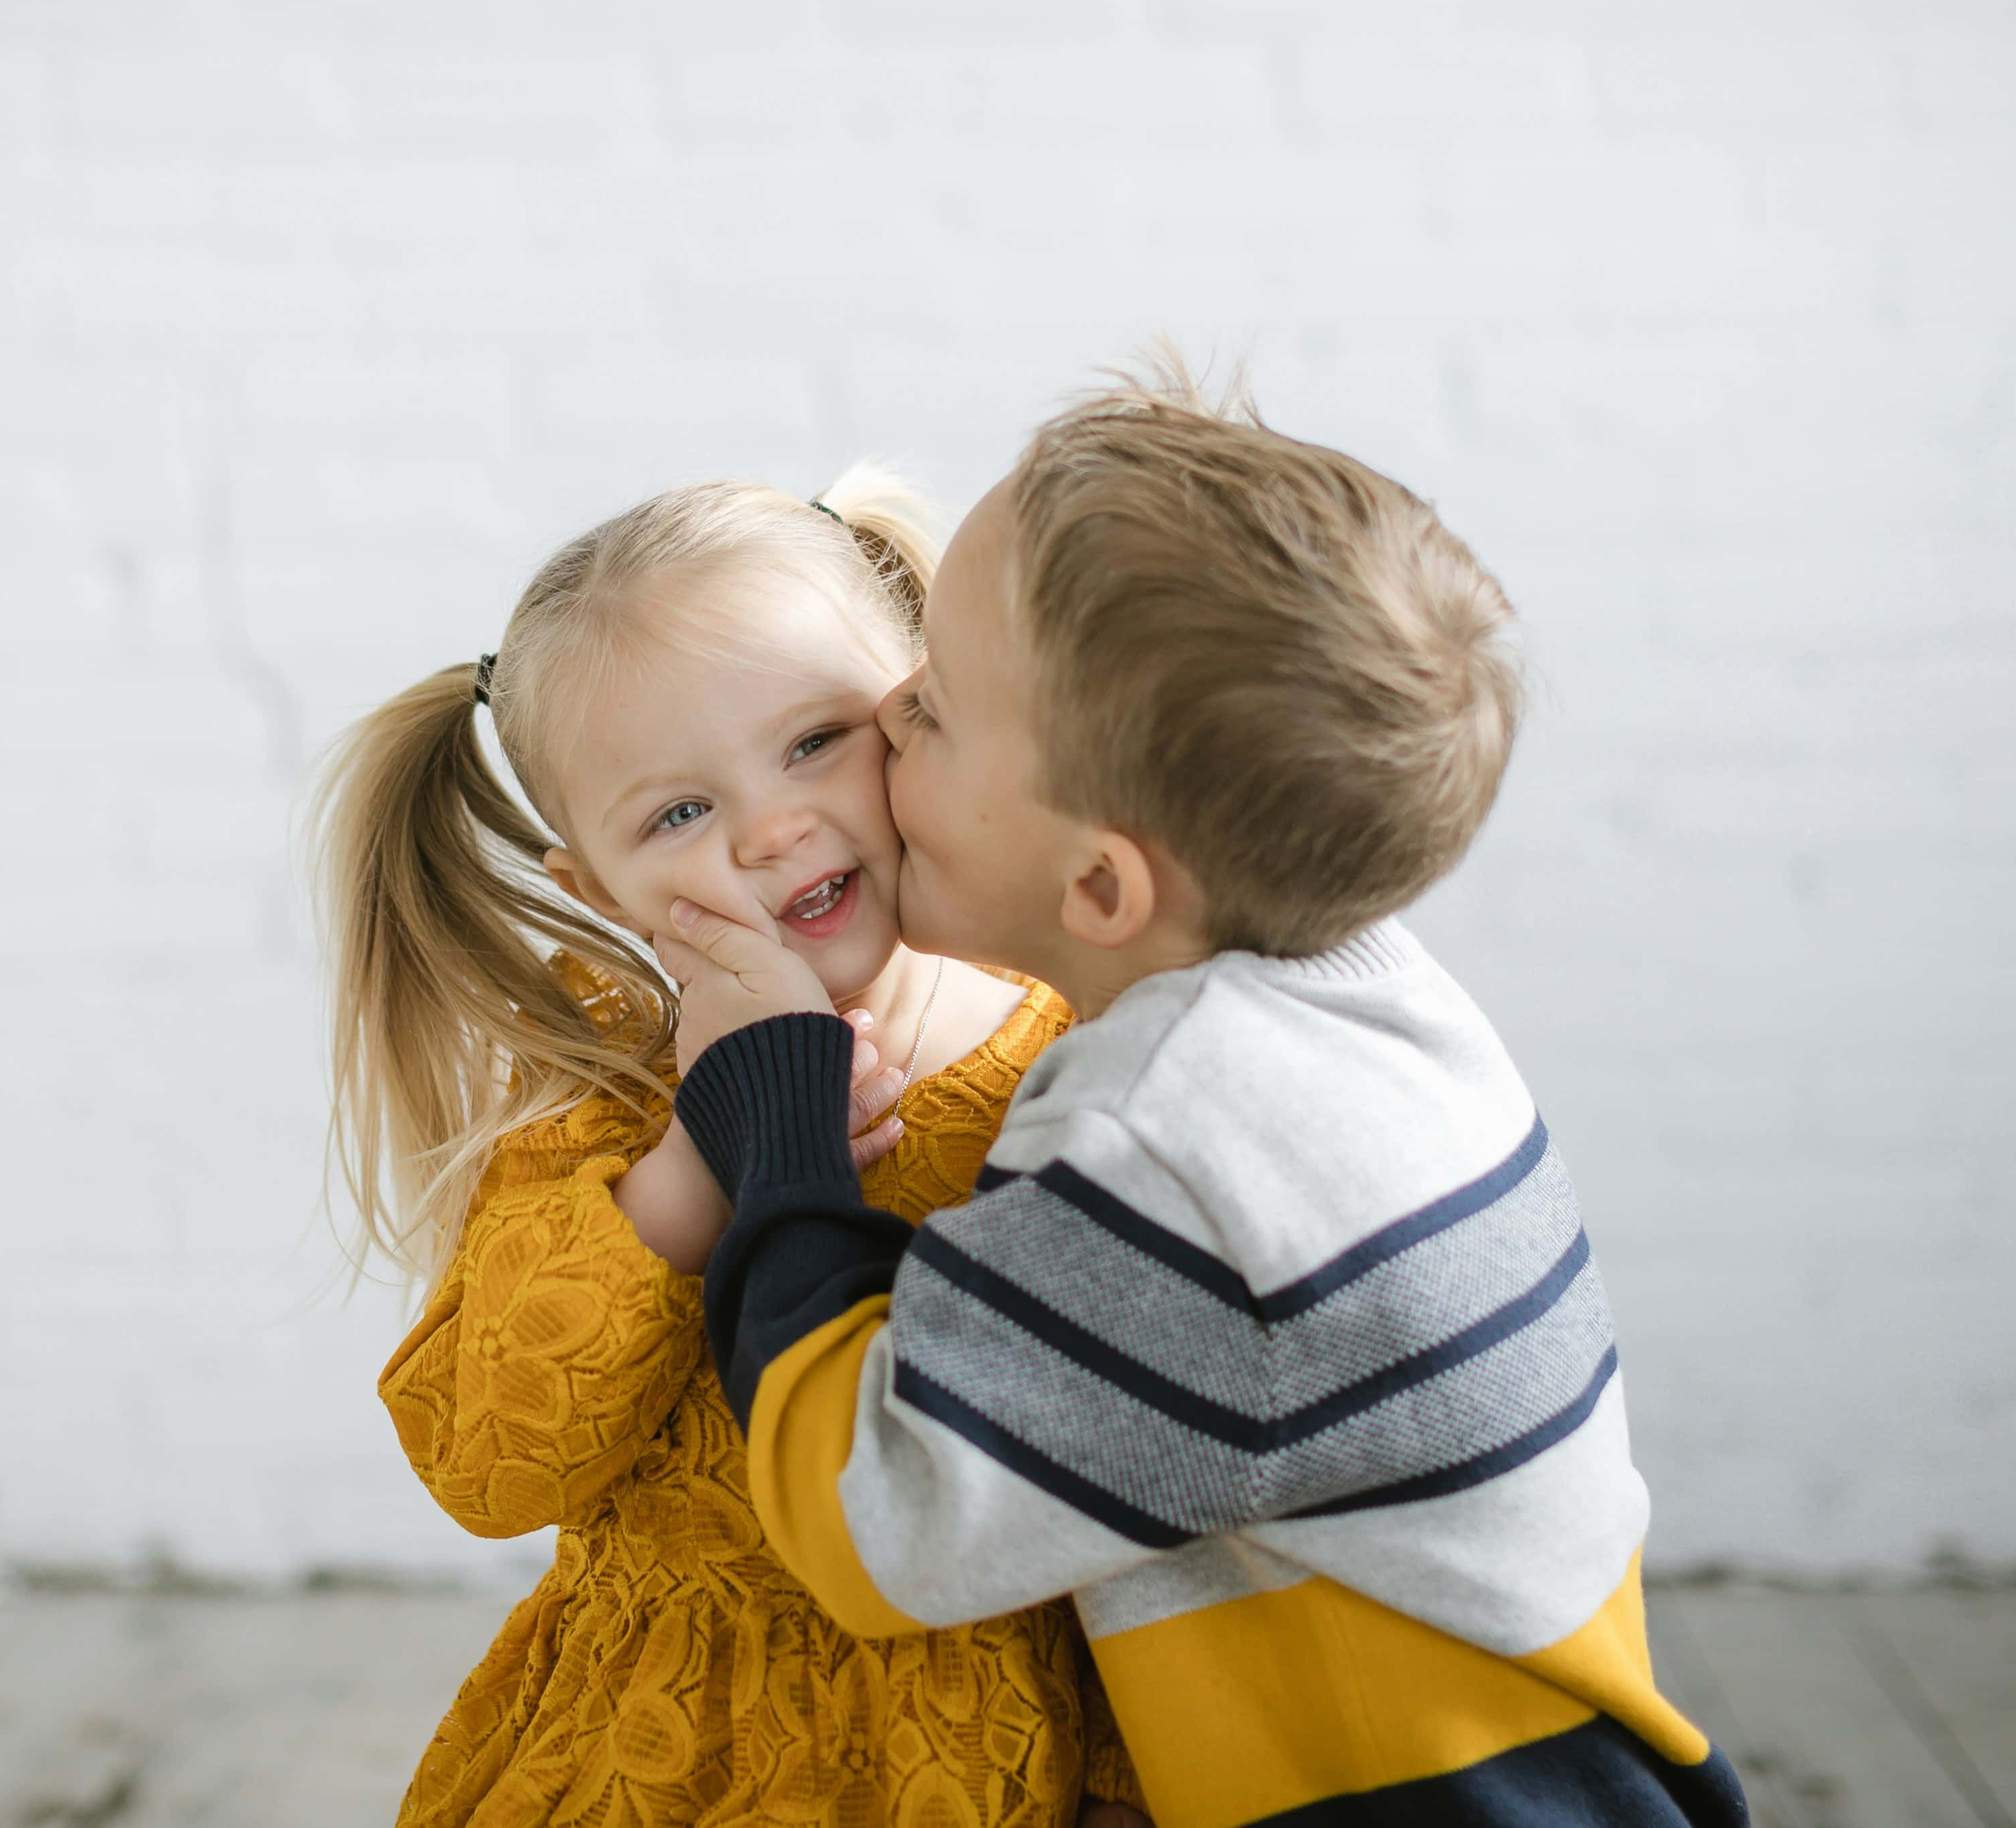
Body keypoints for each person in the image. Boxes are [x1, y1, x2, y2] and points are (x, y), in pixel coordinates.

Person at [654, 360, 1751, 1827]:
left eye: (940, 707)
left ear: (1098, 885)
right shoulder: (1366, 1004)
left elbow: (879, 1521)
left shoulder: (1167, 1141)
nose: (884, 711)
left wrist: (772, 1116)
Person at [313, 468, 1148, 1825]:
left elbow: (1153, 1445)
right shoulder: (601, 1082)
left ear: (926, 707)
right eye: (676, 814)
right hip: (675, 1748)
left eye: (817, 739)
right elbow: (485, 1462)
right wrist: (695, 1172)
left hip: (1010, 1737)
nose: (770, 830)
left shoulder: (1073, 1040)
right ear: (598, 888)